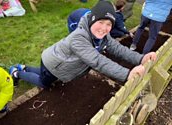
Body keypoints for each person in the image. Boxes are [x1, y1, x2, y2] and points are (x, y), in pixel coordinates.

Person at [9, 1, 157, 89]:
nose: (104, 28)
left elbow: (117, 48)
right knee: (44, 83)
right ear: (92, 20)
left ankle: (23, 67)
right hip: (53, 63)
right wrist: (127, 74)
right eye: (100, 22)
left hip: (56, 62)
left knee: (44, 74)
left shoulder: (103, 34)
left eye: (108, 24)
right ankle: (17, 73)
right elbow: (98, 61)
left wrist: (140, 59)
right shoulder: (78, 38)